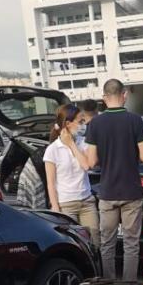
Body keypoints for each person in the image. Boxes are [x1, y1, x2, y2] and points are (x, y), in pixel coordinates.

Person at [84, 79, 143, 280]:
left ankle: (109, 284)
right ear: (125, 94)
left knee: (107, 243)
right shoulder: (135, 121)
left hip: (108, 192)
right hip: (131, 191)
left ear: (104, 98)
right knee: (131, 243)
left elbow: (91, 161)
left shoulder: (94, 123)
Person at [43, 103, 99, 248]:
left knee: (95, 243)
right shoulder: (52, 150)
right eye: (80, 122)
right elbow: (50, 182)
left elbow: (86, 165)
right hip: (66, 205)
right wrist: (55, 207)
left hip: (87, 202)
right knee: (74, 246)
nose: (83, 125)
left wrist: (72, 145)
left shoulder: (83, 143)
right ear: (68, 124)